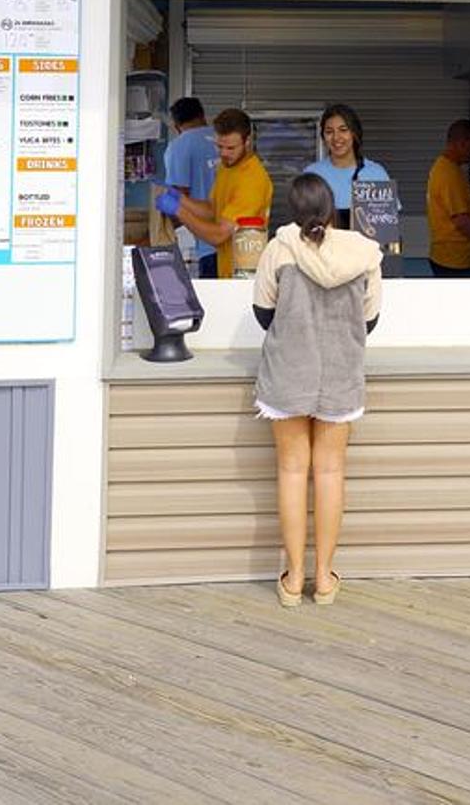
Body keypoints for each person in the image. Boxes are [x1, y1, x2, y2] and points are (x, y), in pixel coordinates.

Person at [252, 172, 382, 607]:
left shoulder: (278, 248)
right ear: (333, 210)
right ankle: (324, 579)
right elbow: (370, 320)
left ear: (293, 211)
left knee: (292, 471)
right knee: (330, 472)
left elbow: (263, 313)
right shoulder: (364, 253)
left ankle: (293, 579)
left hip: (289, 370)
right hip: (341, 372)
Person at [156, 108, 273, 278]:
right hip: (225, 271)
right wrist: (181, 199)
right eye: (219, 146)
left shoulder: (252, 180)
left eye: (231, 148)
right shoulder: (227, 167)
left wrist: (179, 211)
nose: (224, 154)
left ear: (247, 141)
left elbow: (219, 235)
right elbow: (212, 210)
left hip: (245, 278)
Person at [303, 103, 391, 230]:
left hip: (364, 249)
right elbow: (302, 222)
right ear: (323, 136)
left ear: (354, 133)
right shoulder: (312, 174)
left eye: (343, 130)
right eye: (329, 132)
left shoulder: (376, 173)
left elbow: (387, 227)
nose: (336, 138)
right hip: (322, 248)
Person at [163, 96, 219, 278]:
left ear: (176, 124)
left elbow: (179, 194)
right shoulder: (224, 140)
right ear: (202, 115)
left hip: (206, 243)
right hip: (239, 240)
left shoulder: (178, 147)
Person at [426, 119, 470, 277]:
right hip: (455, 261)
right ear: (462, 143)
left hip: (451, 258)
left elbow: (459, 204)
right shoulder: (448, 174)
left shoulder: (447, 168)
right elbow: (462, 221)